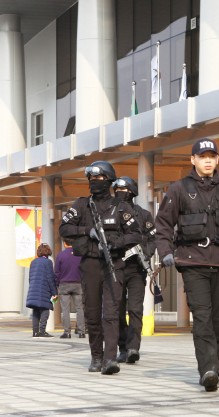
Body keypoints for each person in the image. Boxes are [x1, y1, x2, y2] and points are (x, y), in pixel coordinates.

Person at [155, 138, 219, 391]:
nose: (207, 160)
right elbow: (163, 224)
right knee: (202, 317)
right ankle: (208, 370)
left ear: (217, 160)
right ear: (193, 160)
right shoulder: (178, 189)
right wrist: (165, 252)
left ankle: (214, 370)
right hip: (192, 262)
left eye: (212, 156)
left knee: (218, 318)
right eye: (202, 156)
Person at [59, 161, 142, 375]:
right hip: (90, 265)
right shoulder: (81, 205)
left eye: (98, 178)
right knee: (93, 314)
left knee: (112, 313)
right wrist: (88, 231)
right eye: (91, 179)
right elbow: (64, 228)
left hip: (114, 263)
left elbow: (135, 233)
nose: (94, 182)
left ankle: (110, 359)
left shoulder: (121, 206)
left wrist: (117, 244)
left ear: (108, 181)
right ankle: (96, 356)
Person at [113, 176, 156, 365]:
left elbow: (153, 238)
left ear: (131, 191)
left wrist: (145, 254)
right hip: (116, 267)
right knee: (118, 310)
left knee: (136, 309)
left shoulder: (144, 215)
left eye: (122, 189)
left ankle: (133, 348)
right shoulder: (111, 212)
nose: (118, 193)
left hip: (137, 269)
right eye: (117, 190)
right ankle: (122, 348)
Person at [55, 240, 85, 338]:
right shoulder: (80, 255)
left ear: (64, 243)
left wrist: (57, 284)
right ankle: (81, 332)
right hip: (78, 283)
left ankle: (67, 332)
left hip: (64, 284)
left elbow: (57, 272)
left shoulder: (60, 255)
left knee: (65, 309)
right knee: (79, 308)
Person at [27, 243, 58, 339]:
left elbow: (30, 278)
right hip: (43, 290)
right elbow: (50, 278)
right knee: (45, 311)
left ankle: (35, 332)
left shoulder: (33, 262)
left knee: (36, 311)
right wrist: (54, 293)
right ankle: (42, 331)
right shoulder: (48, 262)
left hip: (33, 289)